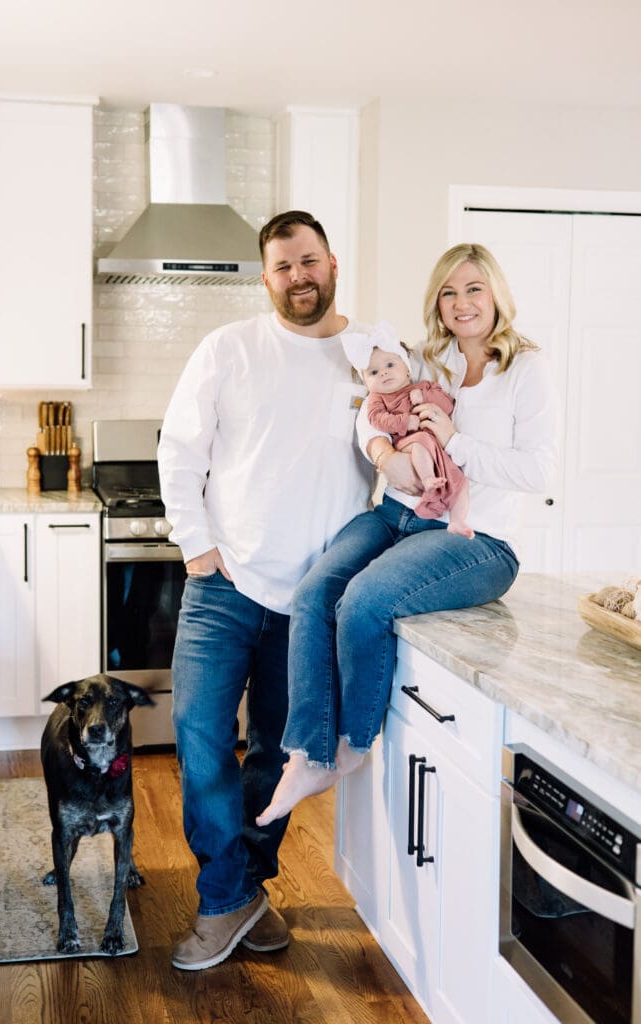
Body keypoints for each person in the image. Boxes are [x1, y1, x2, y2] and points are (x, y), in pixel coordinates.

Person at [256, 242, 558, 826]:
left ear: (497, 293)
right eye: (449, 291)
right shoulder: (428, 358)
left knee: (364, 601)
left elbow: (539, 471)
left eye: (474, 288)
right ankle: (307, 753)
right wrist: (380, 451)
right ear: (436, 303)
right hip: (396, 514)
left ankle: (351, 745)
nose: (462, 303)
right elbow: (371, 406)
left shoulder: (526, 369)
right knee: (313, 593)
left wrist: (457, 439)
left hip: (477, 541)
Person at [157, 210, 373, 971]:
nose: (298, 277)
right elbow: (179, 448)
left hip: (314, 599)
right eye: (282, 268)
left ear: (331, 262)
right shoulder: (230, 348)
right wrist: (197, 547)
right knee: (201, 740)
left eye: (307, 261)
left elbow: (412, 446)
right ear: (265, 278)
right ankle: (225, 899)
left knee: (277, 759)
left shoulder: (372, 356)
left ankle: (243, 891)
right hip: (225, 583)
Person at [344, 321, 473, 538]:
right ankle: (427, 482)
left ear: (407, 369)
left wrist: (426, 397)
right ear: (366, 381)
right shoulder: (378, 399)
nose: (383, 374)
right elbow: (376, 419)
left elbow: (448, 405)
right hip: (407, 443)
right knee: (420, 439)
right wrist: (405, 422)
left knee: (460, 483)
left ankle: (458, 521)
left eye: (390, 365)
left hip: (437, 450)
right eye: (374, 372)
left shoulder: (422, 387)